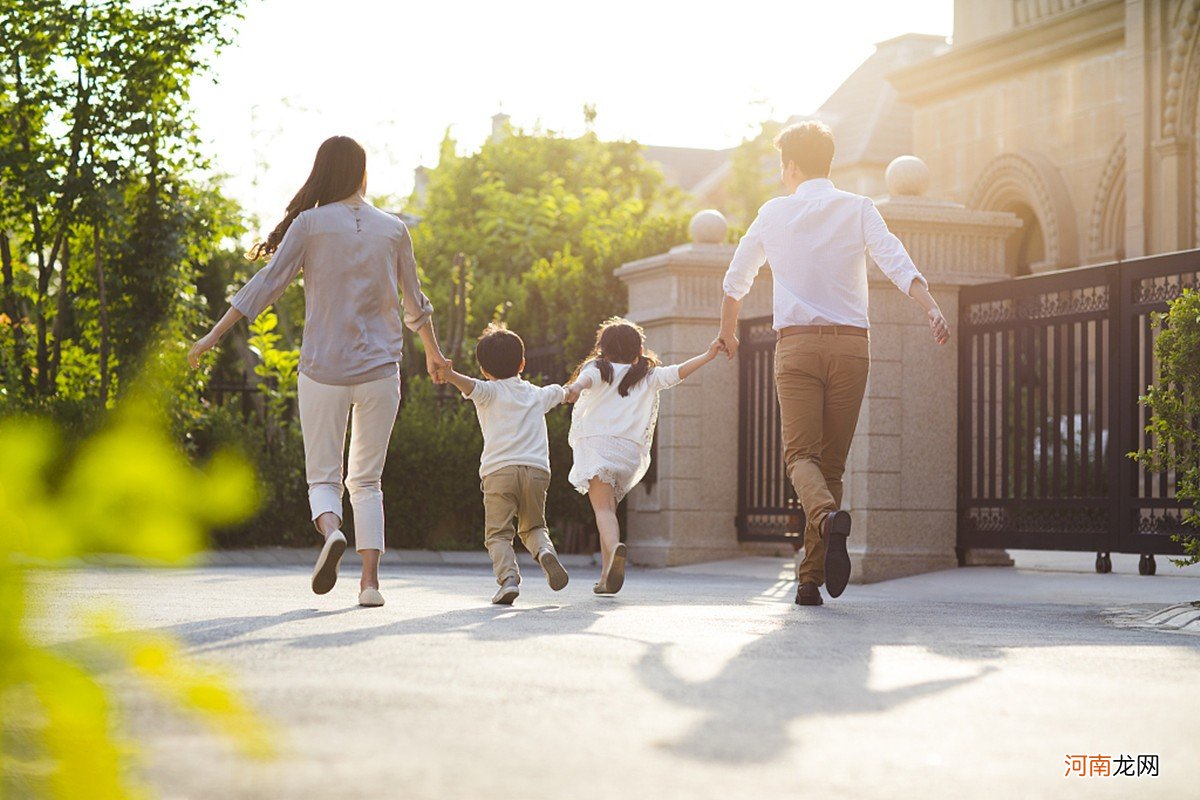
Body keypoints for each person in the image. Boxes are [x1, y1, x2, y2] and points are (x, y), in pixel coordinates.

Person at [188, 135, 448, 608]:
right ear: (362, 172)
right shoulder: (393, 229)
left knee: (323, 477)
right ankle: (369, 585)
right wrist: (434, 354)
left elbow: (265, 286)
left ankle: (331, 531)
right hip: (379, 371)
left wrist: (212, 336)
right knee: (367, 480)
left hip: (323, 368)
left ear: (322, 171)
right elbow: (416, 304)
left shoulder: (308, 224)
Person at [717, 120, 949, 607]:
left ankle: (822, 517)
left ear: (793, 166)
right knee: (832, 464)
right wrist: (931, 306)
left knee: (800, 458)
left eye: (783, 166)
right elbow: (895, 259)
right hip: (851, 348)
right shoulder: (858, 208)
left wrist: (726, 330)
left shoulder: (773, 213)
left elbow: (736, 278)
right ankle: (809, 579)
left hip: (798, 347)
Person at [562, 317, 723, 595]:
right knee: (608, 511)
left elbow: (585, 381)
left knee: (601, 510)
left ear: (604, 348)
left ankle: (613, 552)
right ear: (638, 349)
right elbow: (678, 372)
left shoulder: (598, 368)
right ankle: (605, 577)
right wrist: (708, 355)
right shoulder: (648, 374)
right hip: (628, 452)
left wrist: (574, 389)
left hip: (598, 446)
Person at [437, 324, 572, 605]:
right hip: (536, 471)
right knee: (534, 526)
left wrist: (448, 374)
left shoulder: (488, 391)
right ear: (522, 363)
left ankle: (508, 579)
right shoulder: (536, 393)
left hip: (499, 472)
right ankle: (545, 551)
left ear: (484, 369)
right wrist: (587, 380)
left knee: (498, 533)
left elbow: (468, 385)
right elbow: (566, 392)